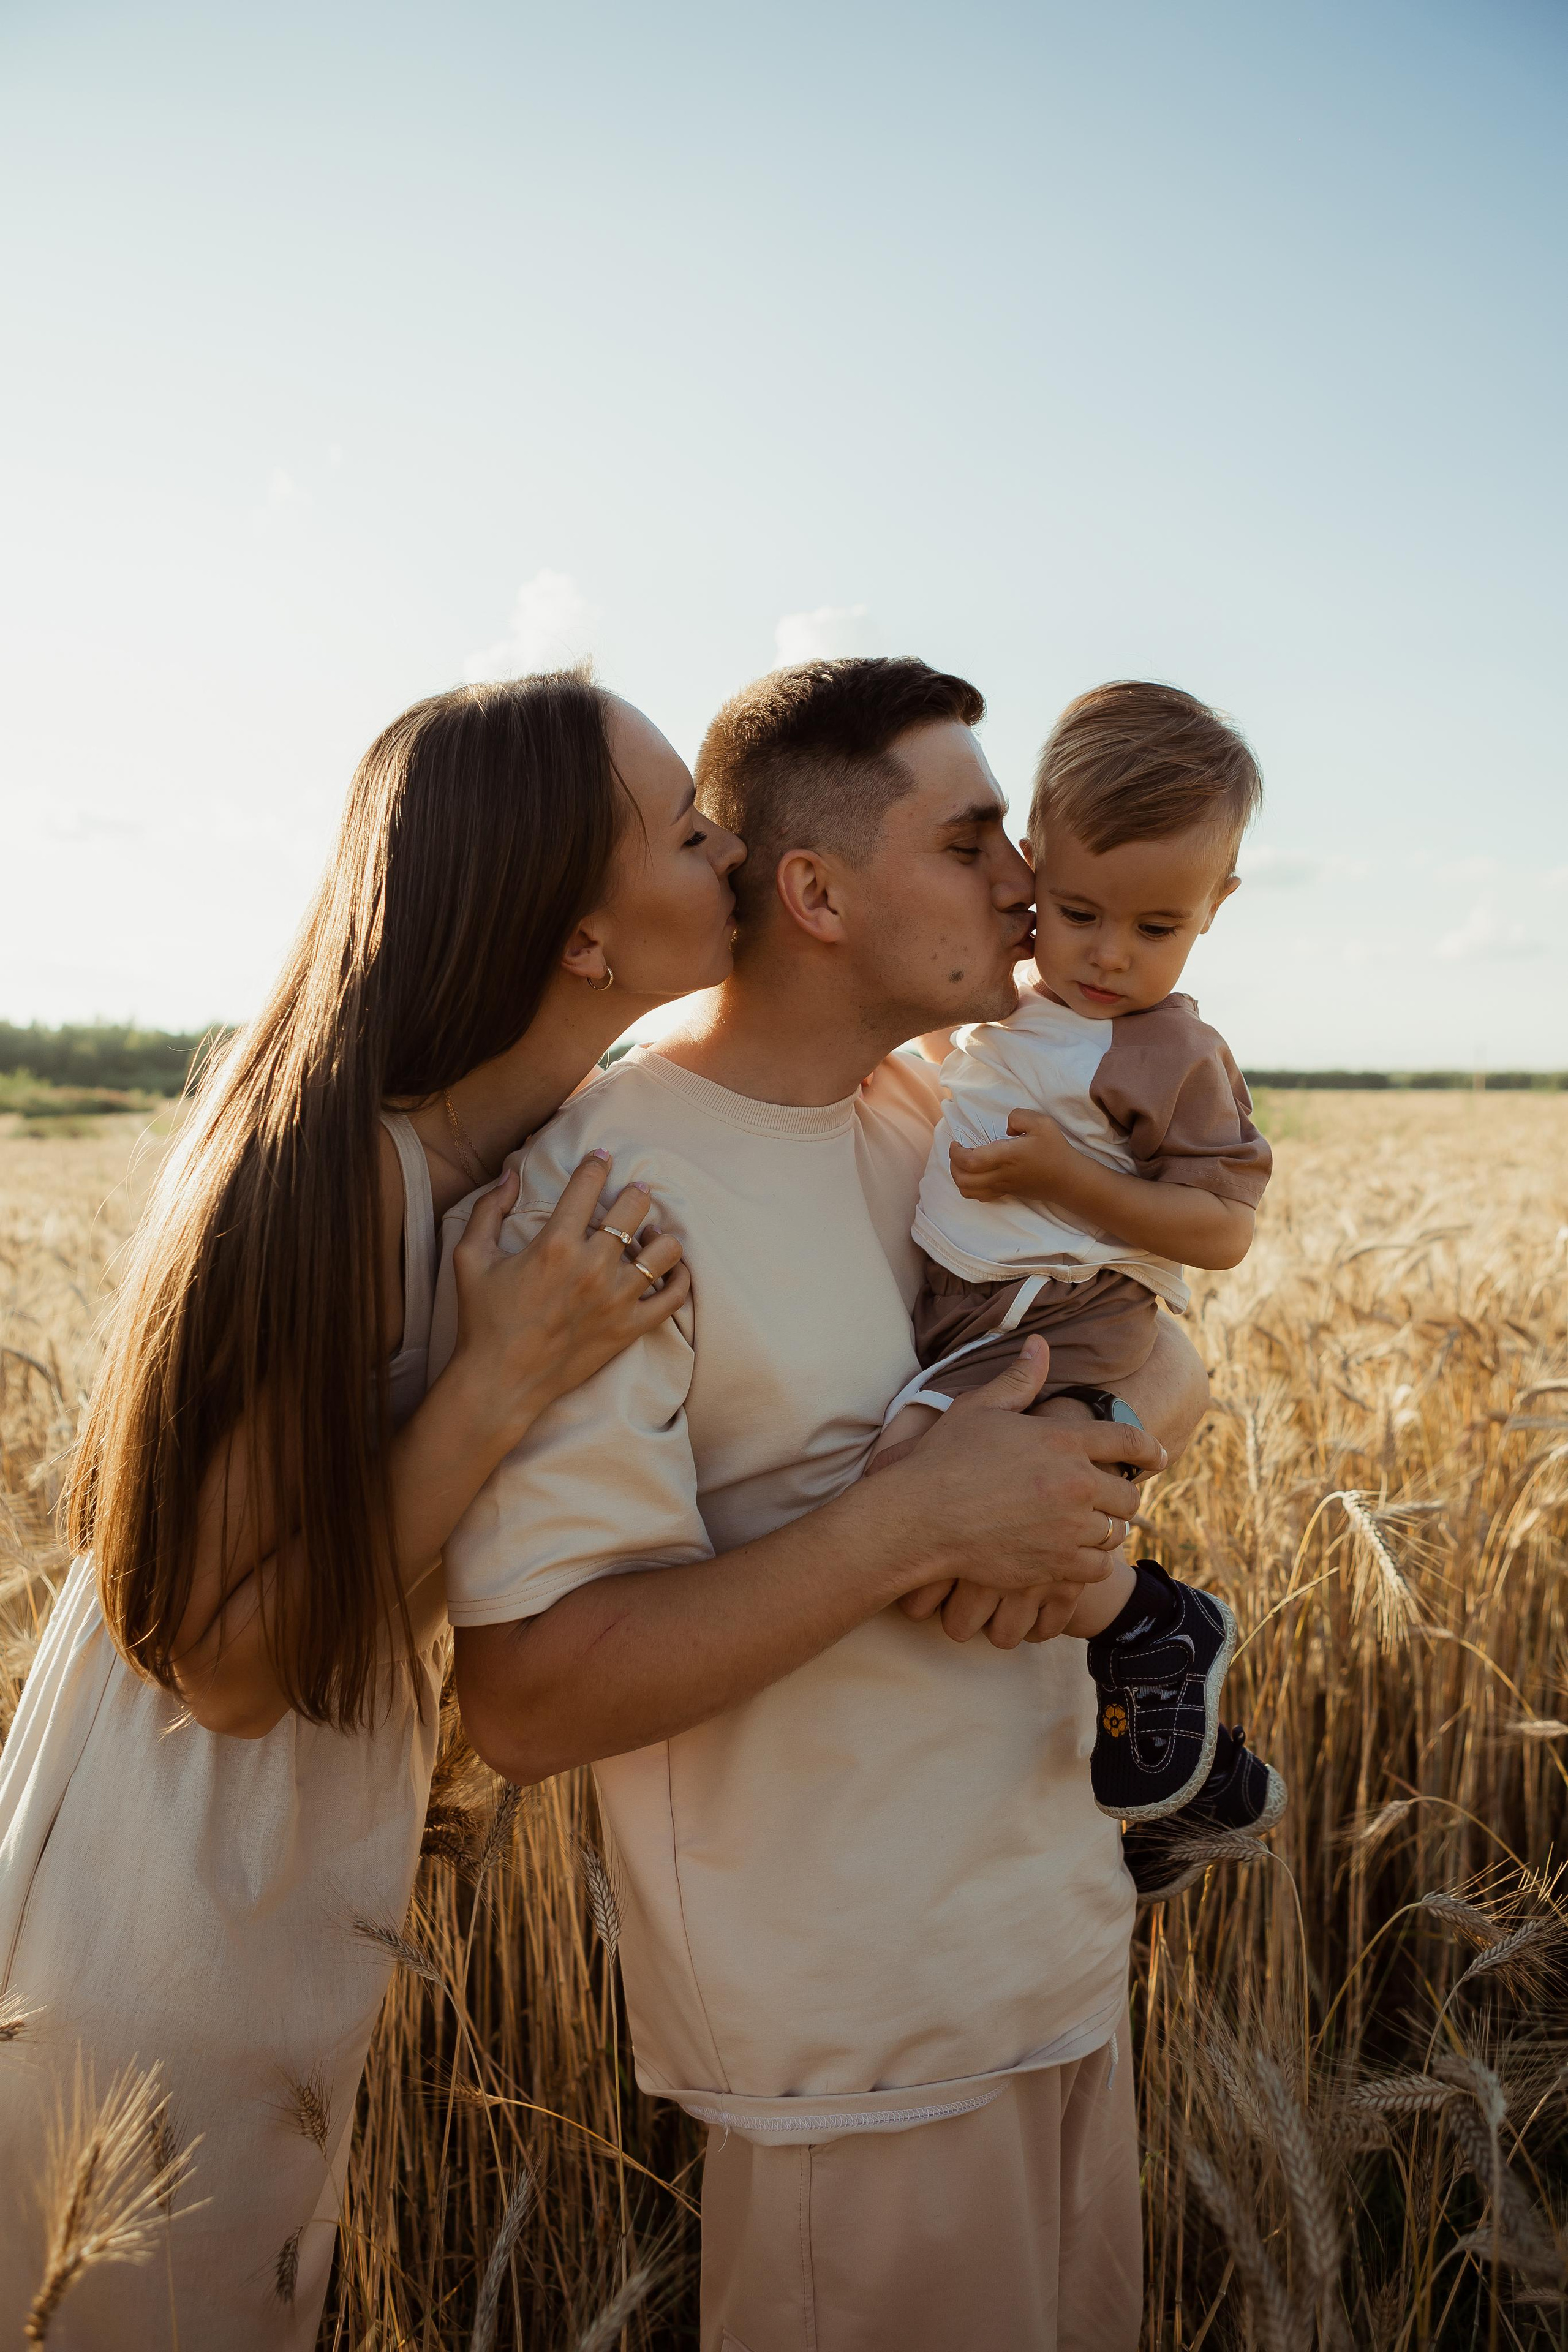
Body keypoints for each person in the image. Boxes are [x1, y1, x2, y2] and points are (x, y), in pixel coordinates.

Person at [439, 657, 1212, 2352]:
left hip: (1065, 1972)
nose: (1029, 879)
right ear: (815, 892)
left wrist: (1088, 1435)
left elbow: (1167, 1351)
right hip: (854, 2059)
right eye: (975, 837)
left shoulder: (938, 1116)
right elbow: (527, 1694)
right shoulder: (604, 1193)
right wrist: (919, 1524)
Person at [0, 672, 742, 2349]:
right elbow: (221, 1665)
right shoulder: (339, 1171)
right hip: (162, 1921)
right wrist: (505, 1375)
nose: (737, 855)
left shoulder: (481, 1168)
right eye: (693, 832)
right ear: (583, 942)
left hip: (269, 1903)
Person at [872, 679, 1286, 1863]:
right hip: (979, 1307)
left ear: (1218, 906)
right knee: (962, 1522)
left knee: (935, 1500)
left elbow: (1222, 1231)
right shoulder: (998, 1004)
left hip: (1074, 1306)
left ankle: (1156, 1628)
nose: (1109, 955)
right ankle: (1197, 1783)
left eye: (1157, 930)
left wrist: (1076, 1181)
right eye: (1078, 910)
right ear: (1031, 867)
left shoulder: (1169, 1050)